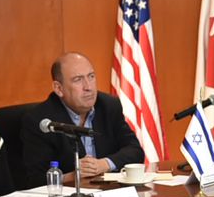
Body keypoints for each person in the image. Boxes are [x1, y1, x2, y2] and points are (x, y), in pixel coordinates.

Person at [19, 52, 144, 188]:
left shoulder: (108, 106)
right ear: (59, 88)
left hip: (109, 193)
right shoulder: (40, 120)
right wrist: (73, 176)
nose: (88, 87)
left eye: (91, 76)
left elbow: (135, 151)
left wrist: (104, 164)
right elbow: (35, 179)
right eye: (78, 80)